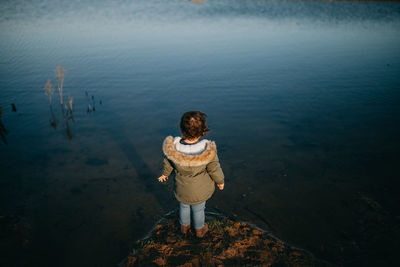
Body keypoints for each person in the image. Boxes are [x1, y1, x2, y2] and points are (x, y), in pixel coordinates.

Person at [158, 111, 225, 238]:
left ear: (182, 129)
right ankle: (199, 230)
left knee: (183, 206)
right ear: (203, 131)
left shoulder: (173, 148)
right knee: (198, 209)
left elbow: (168, 162)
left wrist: (165, 174)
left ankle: (184, 228)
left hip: (182, 188)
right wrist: (220, 182)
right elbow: (214, 169)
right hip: (200, 190)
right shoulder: (207, 151)